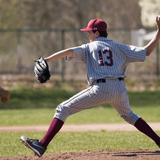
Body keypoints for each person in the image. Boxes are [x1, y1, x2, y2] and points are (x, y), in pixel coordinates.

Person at [20, 16, 160, 157]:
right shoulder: (120, 47)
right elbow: (147, 51)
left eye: (89, 32)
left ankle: (42, 145)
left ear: (97, 32)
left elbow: (69, 51)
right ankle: (159, 141)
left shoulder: (88, 47)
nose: (88, 35)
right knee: (129, 115)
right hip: (119, 88)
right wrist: (159, 31)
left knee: (63, 109)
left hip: (101, 88)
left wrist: (47, 59)